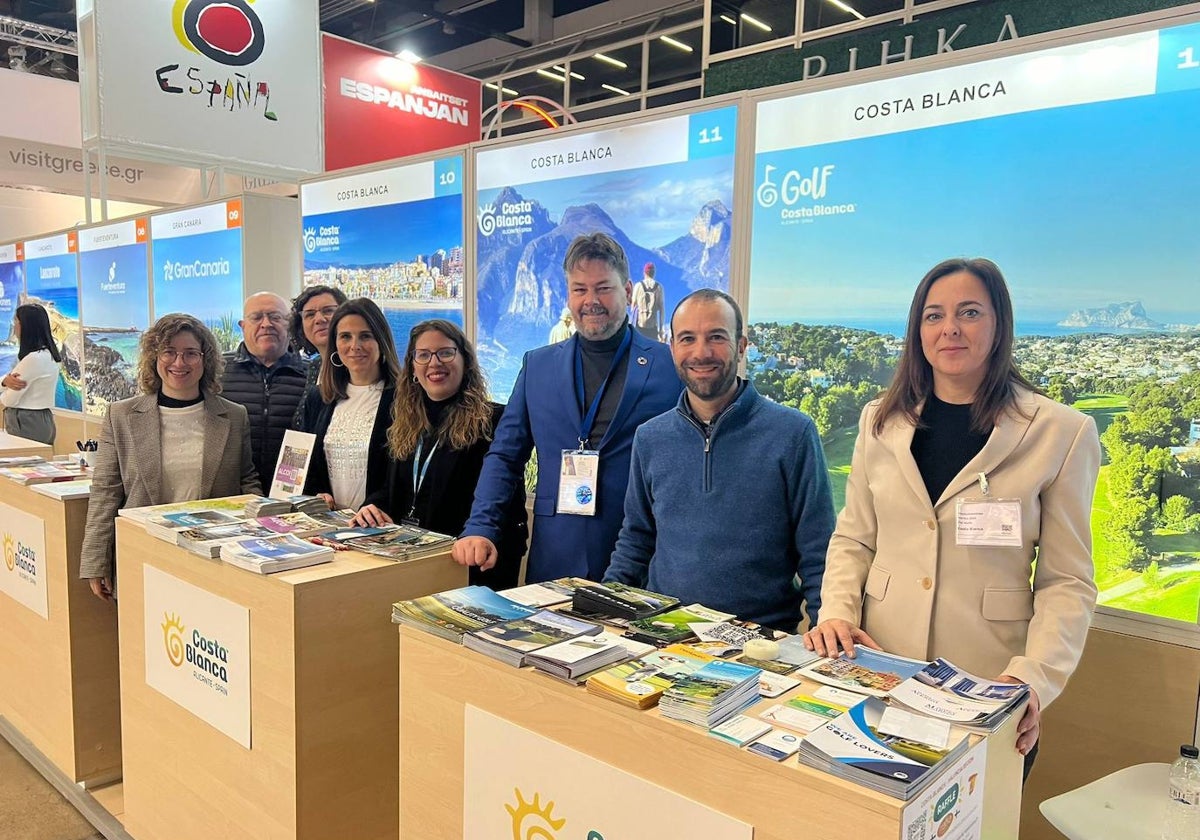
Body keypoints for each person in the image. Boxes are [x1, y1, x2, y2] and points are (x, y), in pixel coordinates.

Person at [802, 257, 1101, 777]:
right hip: (879, 673)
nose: (951, 329)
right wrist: (836, 612)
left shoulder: (1060, 433)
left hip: (987, 688)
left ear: (999, 324)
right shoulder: (881, 420)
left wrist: (1034, 677)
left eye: (969, 312)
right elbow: (854, 538)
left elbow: (1067, 581)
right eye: (934, 316)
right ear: (918, 330)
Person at [455, 233, 682, 583]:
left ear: (627, 290)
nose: (591, 300)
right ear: (568, 295)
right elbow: (505, 455)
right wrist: (481, 525)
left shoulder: (669, 367)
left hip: (640, 563)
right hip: (554, 560)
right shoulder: (537, 366)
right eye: (580, 289)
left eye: (603, 288)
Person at [604, 290, 835, 631]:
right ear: (672, 348)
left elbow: (819, 554)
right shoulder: (650, 438)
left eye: (716, 337)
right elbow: (637, 539)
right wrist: (604, 601)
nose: (701, 352)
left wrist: (826, 627)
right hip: (664, 633)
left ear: (741, 346)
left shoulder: (793, 434)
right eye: (688, 339)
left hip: (760, 642)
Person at [79, 314, 261, 600]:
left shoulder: (234, 415)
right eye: (169, 352)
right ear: (154, 357)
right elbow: (105, 491)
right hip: (143, 553)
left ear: (205, 360)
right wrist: (96, 559)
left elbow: (246, 480)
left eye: (191, 353)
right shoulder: (122, 415)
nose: (179, 363)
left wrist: (260, 538)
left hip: (214, 557)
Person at [373, 319, 528, 590]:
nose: (434, 363)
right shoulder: (403, 422)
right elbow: (393, 489)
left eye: (445, 352)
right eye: (423, 355)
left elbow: (505, 503)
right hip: (414, 562)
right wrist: (372, 507)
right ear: (411, 367)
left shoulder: (494, 421)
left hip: (474, 565)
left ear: (465, 361)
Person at [303, 298, 400, 517]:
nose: (355, 346)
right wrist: (317, 493)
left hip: (382, 526)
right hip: (329, 526)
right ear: (335, 343)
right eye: (345, 336)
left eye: (365, 336)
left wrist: (375, 505)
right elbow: (309, 463)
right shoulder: (318, 398)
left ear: (381, 341)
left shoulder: (404, 399)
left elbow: (402, 474)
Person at [220, 292, 309, 486]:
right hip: (232, 494)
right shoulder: (217, 371)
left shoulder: (312, 375)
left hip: (295, 496)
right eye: (257, 317)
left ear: (290, 324)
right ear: (243, 326)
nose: (266, 324)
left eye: (275, 317)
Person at [290, 284, 348, 433]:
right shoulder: (315, 366)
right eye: (309, 314)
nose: (319, 319)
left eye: (328, 311)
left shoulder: (355, 368)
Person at [1, 303, 61, 445]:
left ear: (27, 326)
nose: (14, 326)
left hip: (27, 423)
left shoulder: (33, 359)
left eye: (16, 321)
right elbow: (9, 383)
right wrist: (5, 382)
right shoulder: (48, 355)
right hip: (42, 420)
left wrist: (4, 387)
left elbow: (9, 400)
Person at [631, 261, 665, 342]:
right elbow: (661, 310)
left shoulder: (638, 286)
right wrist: (661, 329)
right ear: (654, 273)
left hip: (640, 326)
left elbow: (633, 306)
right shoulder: (658, 287)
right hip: (652, 327)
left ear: (644, 273)